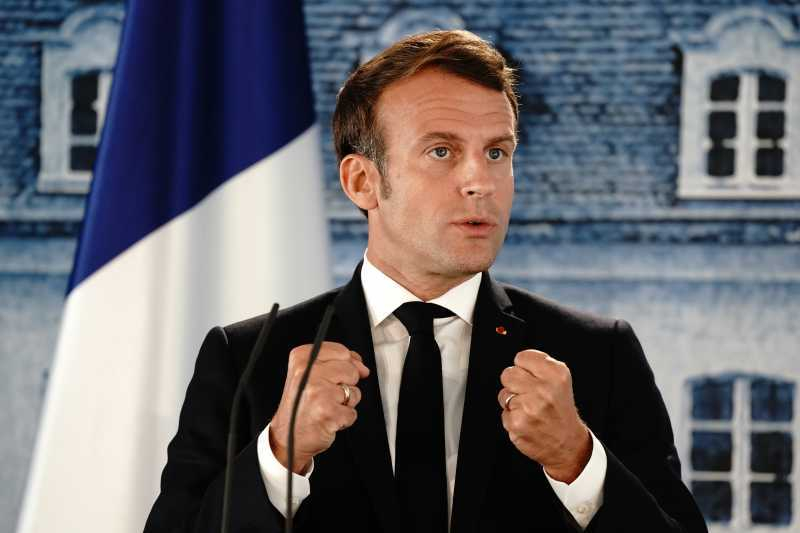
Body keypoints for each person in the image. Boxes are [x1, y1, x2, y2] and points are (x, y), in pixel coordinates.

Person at [144, 30, 707, 533]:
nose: (480, 182)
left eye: (497, 152)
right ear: (362, 181)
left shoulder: (597, 354)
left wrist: (578, 463)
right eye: (442, 151)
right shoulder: (247, 358)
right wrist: (278, 458)